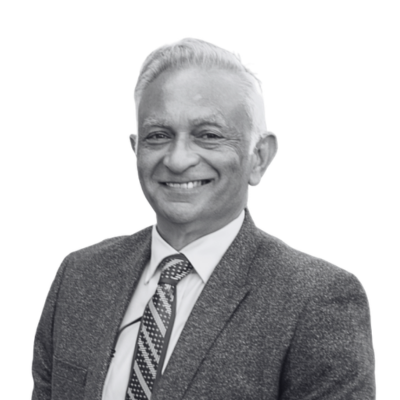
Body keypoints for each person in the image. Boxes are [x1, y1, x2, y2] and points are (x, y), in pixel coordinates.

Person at [32, 38, 375, 400]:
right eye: (158, 136)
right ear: (136, 149)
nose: (178, 159)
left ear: (259, 157)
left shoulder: (317, 301)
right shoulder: (80, 278)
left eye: (208, 136)